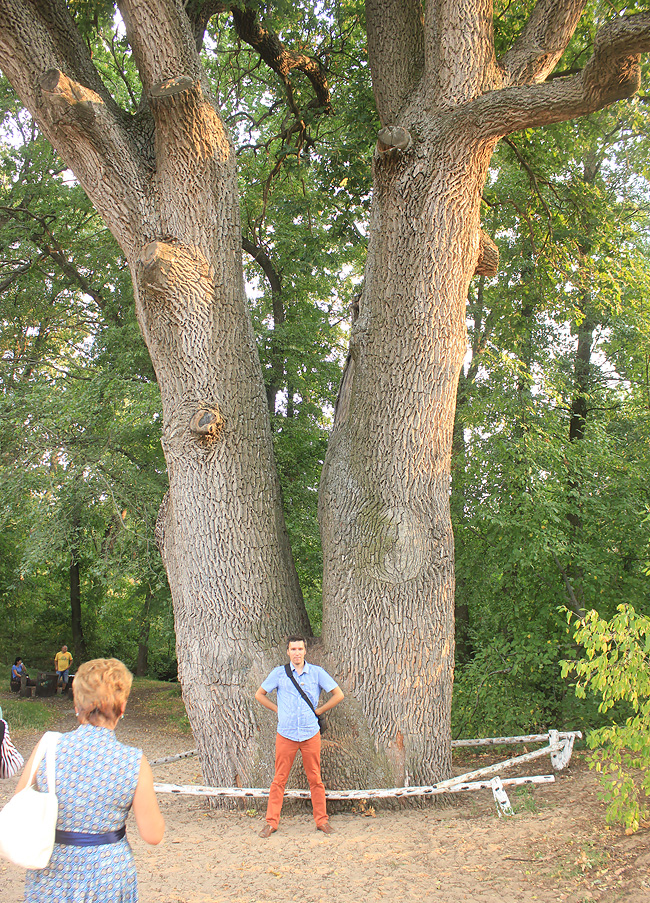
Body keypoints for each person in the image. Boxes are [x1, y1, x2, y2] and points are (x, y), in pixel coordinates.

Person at [14, 658, 165, 902]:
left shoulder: (48, 747)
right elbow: (152, 834)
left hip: (52, 870)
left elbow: (20, 804)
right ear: (122, 707)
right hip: (108, 875)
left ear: (76, 704)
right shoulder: (134, 761)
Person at [255, 635, 344, 837]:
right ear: (288, 652)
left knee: (315, 778)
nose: (296, 653)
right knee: (279, 779)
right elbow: (259, 694)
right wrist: (278, 710)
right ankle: (271, 823)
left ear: (305, 651)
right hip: (285, 734)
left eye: (300, 649)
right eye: (293, 649)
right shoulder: (279, 673)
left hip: (310, 733)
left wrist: (319, 711)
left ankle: (322, 821)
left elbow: (338, 694)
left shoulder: (317, 673)